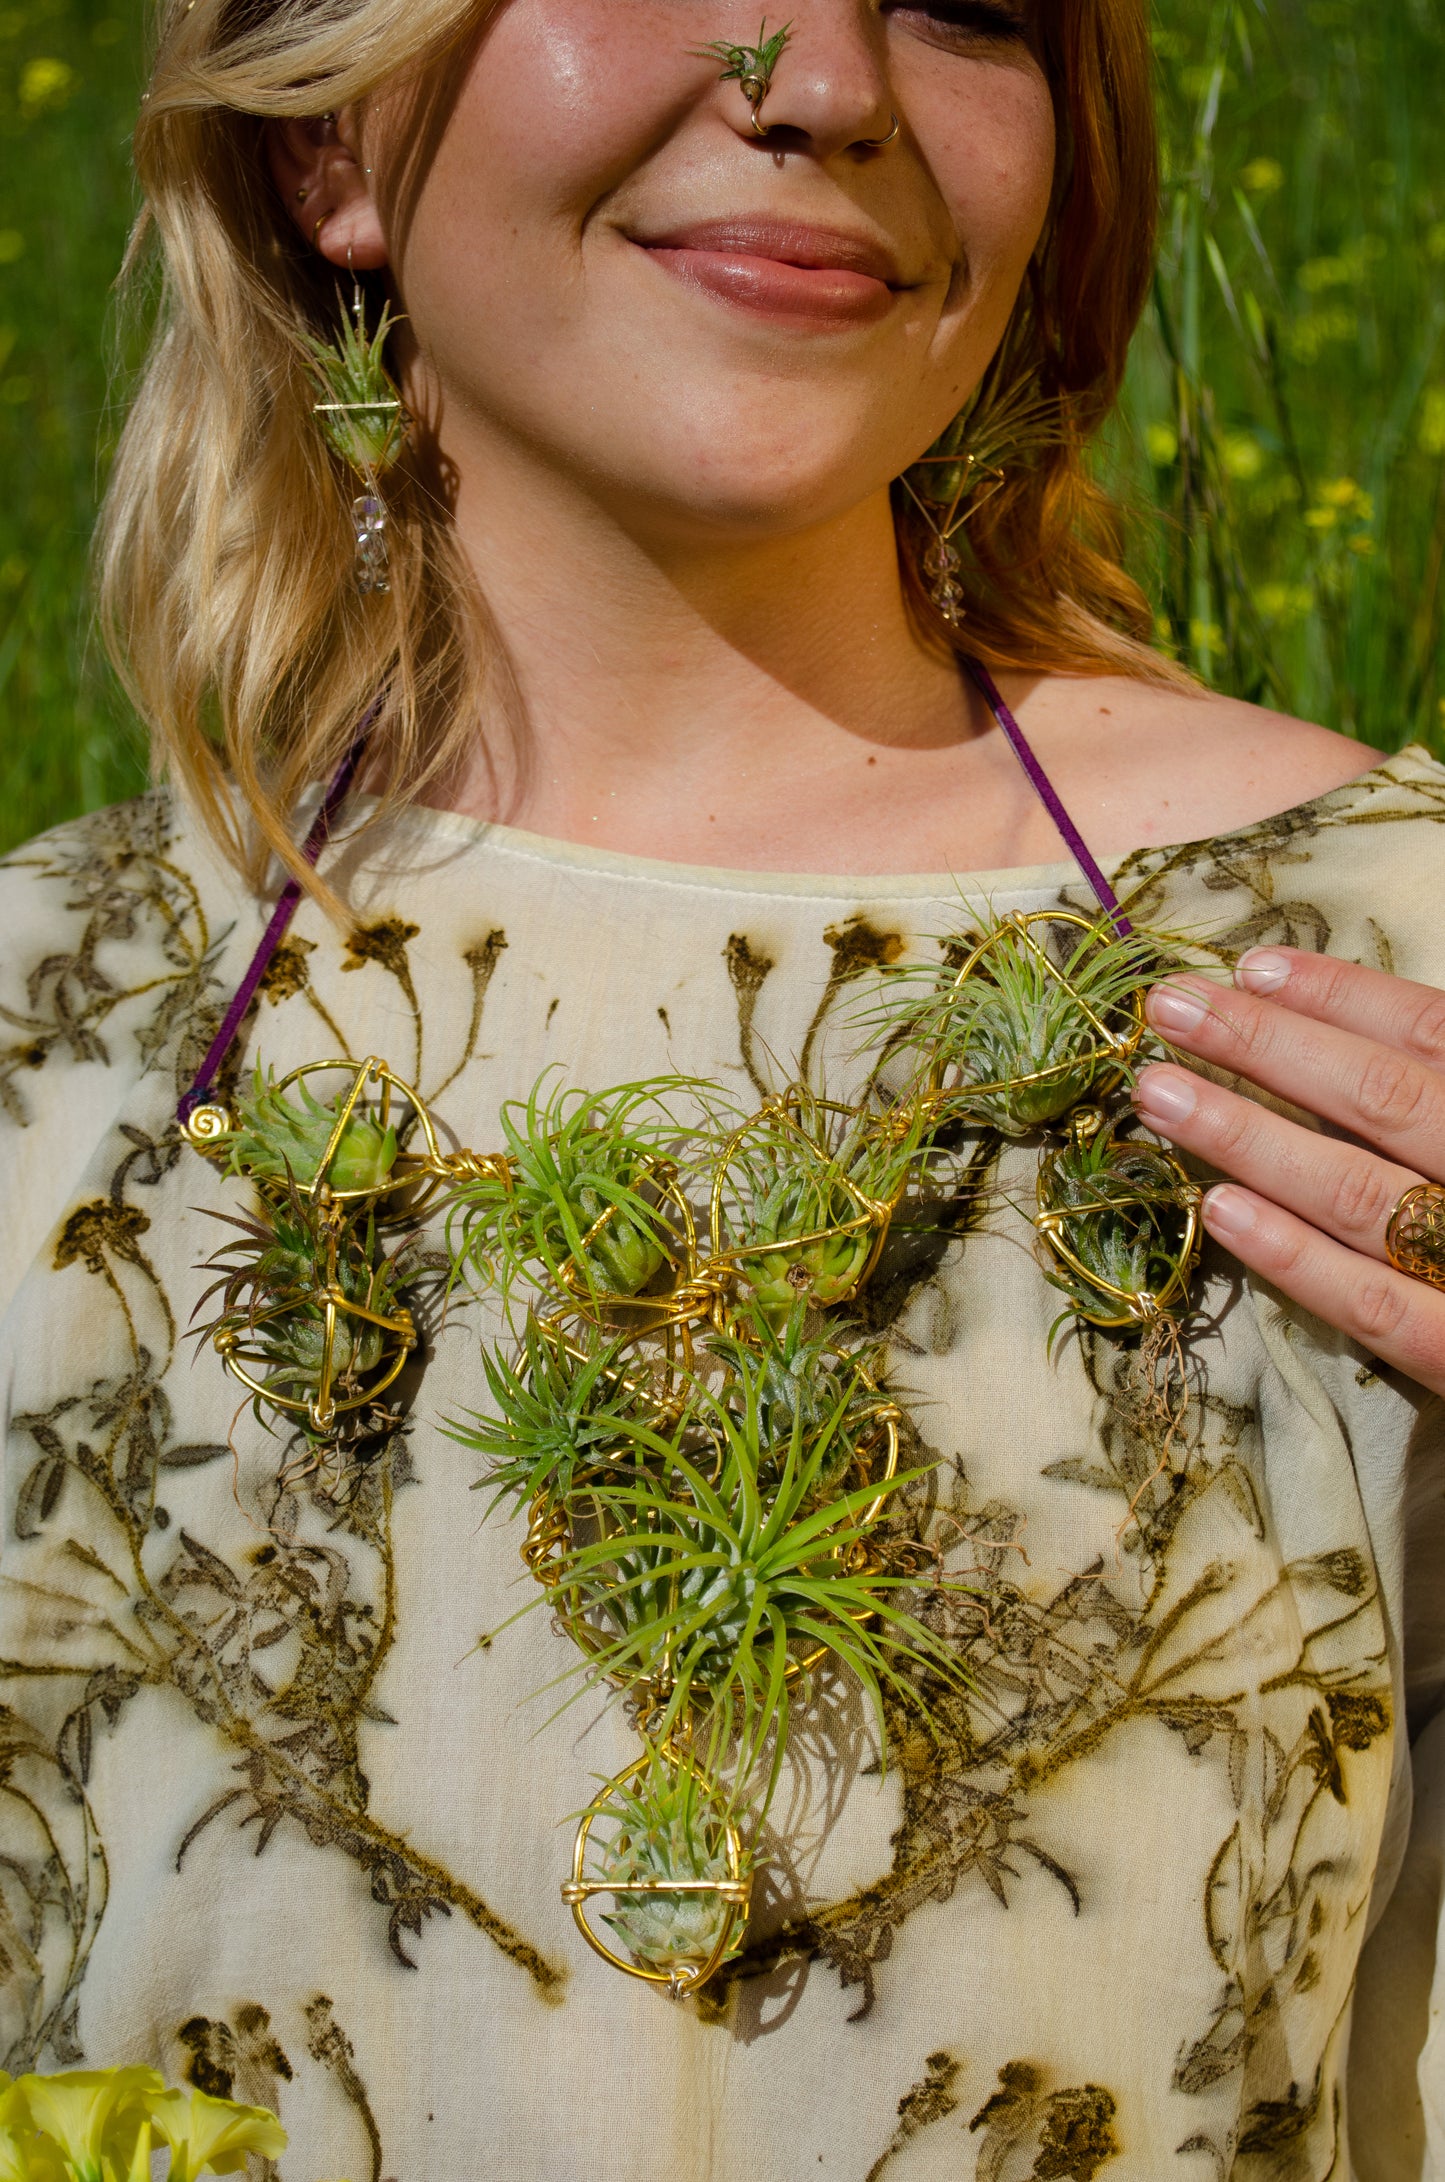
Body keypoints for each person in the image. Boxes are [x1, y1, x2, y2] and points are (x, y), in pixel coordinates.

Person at [2, 0, 1443, 2172]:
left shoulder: (1377, 980)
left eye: (958, 0)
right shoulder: (55, 1035)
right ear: (330, 149)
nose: (829, 80)